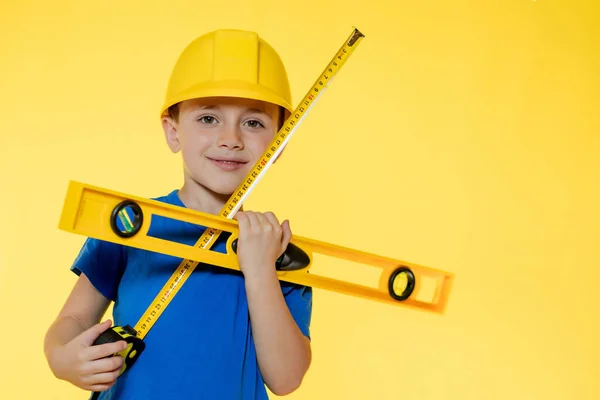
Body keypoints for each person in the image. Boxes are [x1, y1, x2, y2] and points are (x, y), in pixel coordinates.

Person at [43, 29, 313, 400]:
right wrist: (63, 358)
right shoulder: (129, 225)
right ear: (173, 133)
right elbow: (71, 321)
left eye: (254, 123)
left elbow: (286, 379)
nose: (230, 138)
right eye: (208, 119)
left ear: (278, 144)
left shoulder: (280, 251)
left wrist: (260, 269)